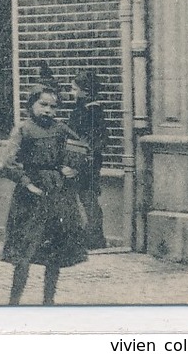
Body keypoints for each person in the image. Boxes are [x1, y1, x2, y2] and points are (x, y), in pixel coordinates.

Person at [2, 85, 89, 304]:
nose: (48, 110)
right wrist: (26, 183)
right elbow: (8, 163)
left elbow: (82, 149)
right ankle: (13, 302)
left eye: (53, 106)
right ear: (31, 104)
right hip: (31, 195)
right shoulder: (23, 129)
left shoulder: (61, 129)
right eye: (43, 104)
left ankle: (48, 301)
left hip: (57, 194)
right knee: (25, 251)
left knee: (54, 252)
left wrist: (73, 168)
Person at [67, 69, 109, 248]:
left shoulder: (88, 112)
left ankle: (94, 237)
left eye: (74, 89)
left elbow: (88, 139)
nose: (72, 93)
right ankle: (90, 235)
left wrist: (78, 160)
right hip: (87, 160)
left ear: (85, 91)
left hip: (85, 162)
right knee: (85, 197)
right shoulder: (90, 110)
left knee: (87, 198)